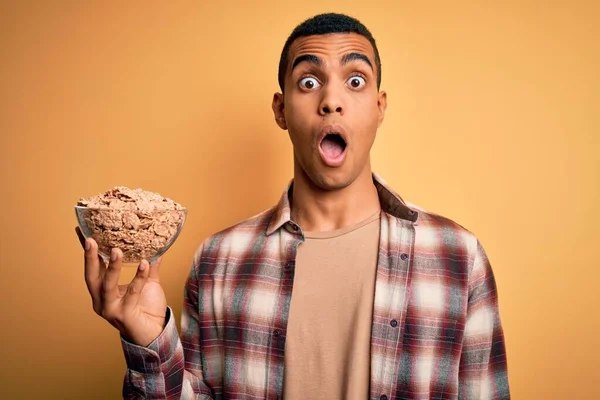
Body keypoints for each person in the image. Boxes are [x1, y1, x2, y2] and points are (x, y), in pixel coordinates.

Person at [77, 12, 510, 400]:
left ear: (380, 108)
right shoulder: (218, 261)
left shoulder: (457, 257)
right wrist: (150, 341)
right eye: (309, 82)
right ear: (281, 109)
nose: (331, 100)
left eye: (355, 81)